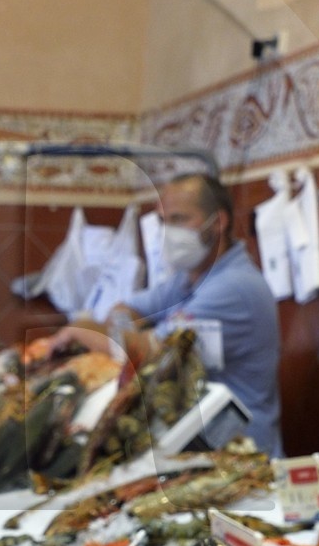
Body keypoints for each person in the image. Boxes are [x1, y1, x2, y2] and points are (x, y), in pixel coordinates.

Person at [110, 171, 284, 456]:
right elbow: (124, 308)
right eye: (163, 221)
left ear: (218, 222)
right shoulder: (188, 278)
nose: (168, 232)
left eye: (179, 219)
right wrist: (122, 330)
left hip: (243, 453)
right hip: (199, 445)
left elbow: (145, 353)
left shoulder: (234, 287)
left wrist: (81, 333)